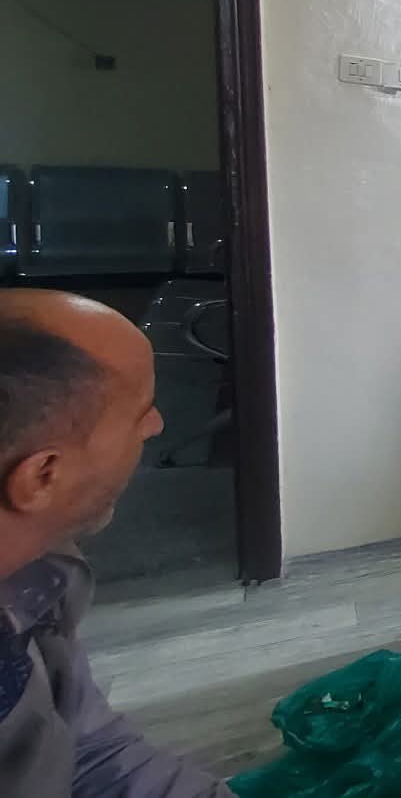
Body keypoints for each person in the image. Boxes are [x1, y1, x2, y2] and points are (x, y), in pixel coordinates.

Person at [0, 291, 236, 796]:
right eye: (139, 412)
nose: (157, 425)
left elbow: (87, 752)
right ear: (43, 475)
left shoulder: (38, 579)